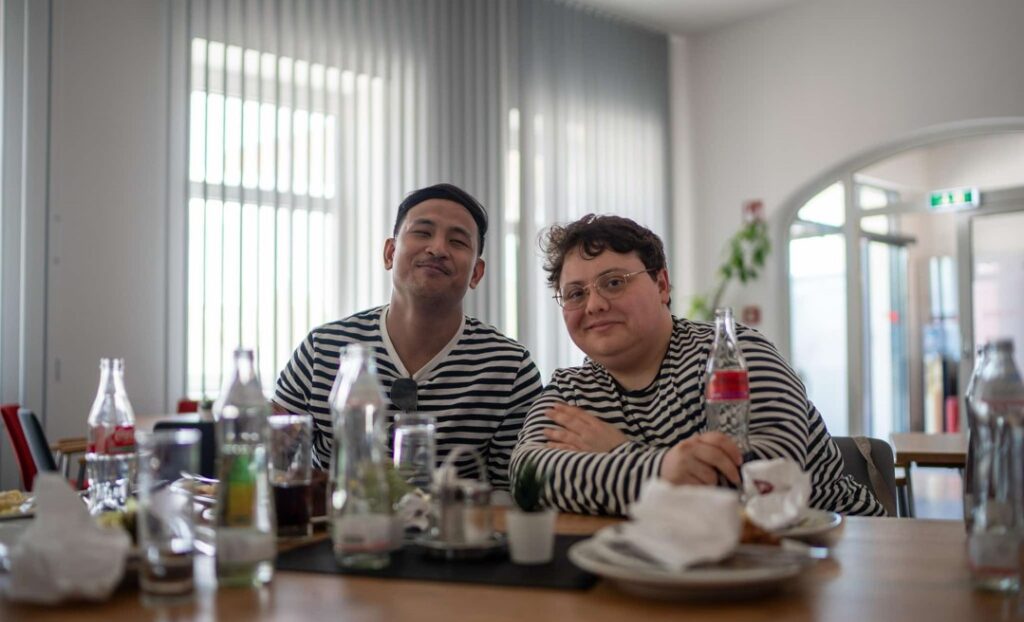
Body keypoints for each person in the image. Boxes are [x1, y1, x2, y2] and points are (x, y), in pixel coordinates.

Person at [511, 214, 884, 516]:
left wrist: (621, 454)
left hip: (836, 554)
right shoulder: (571, 389)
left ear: (662, 285)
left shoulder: (731, 355)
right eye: (576, 293)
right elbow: (528, 476)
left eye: (613, 283)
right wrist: (664, 470)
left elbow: (766, 481)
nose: (593, 306)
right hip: (674, 568)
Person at [274, 183, 543, 488]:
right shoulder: (322, 349)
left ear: (477, 274)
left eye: (457, 241)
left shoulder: (510, 368)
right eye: (423, 233)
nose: (438, 249)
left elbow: (510, 497)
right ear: (390, 253)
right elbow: (271, 461)